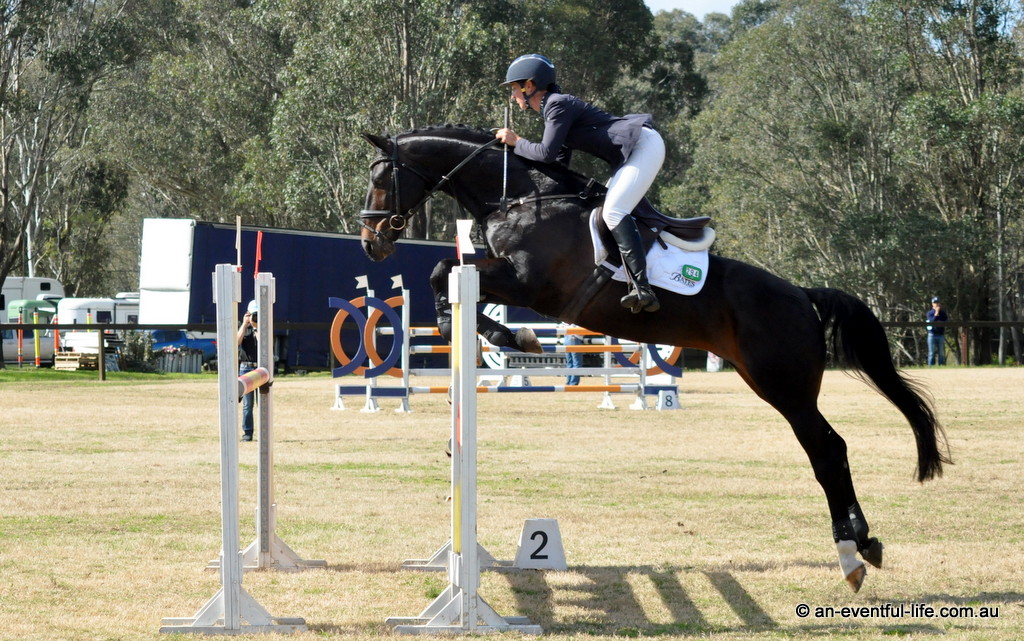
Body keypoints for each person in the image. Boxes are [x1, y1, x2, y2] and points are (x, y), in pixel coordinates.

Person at [495, 53, 663, 314]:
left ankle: (642, 288)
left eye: (515, 88)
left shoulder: (557, 105)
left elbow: (546, 153)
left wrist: (517, 142)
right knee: (603, 209)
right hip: (631, 154)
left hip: (644, 146)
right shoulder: (554, 109)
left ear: (529, 86)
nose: (513, 95)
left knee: (614, 211)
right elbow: (557, 164)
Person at [237, 300, 259, 441]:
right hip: (246, 367)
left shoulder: (264, 325)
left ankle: (263, 432)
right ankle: (247, 432)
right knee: (247, 404)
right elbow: (236, 342)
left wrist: (256, 327)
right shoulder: (243, 325)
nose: (254, 317)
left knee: (262, 403)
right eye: (252, 314)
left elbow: (264, 343)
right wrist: (245, 324)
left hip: (260, 366)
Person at [926, 296, 948, 366]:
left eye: (938, 303)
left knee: (941, 353)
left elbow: (946, 321)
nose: (937, 304)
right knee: (931, 353)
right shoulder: (930, 313)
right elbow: (932, 321)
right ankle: (931, 366)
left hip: (941, 334)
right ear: (932, 304)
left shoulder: (943, 313)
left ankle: (941, 366)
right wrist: (936, 313)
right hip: (932, 335)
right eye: (935, 303)